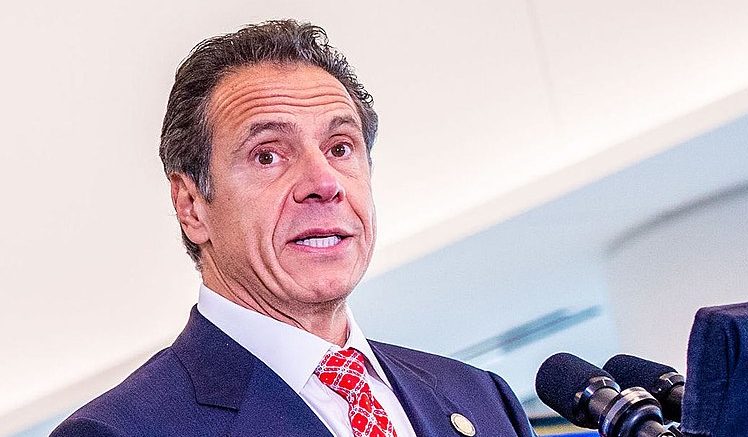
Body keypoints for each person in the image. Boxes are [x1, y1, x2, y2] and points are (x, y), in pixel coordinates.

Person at [52, 20, 534, 437]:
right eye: (268, 156)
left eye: (340, 148)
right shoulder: (120, 430)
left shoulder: (479, 397)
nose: (324, 184)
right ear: (192, 206)